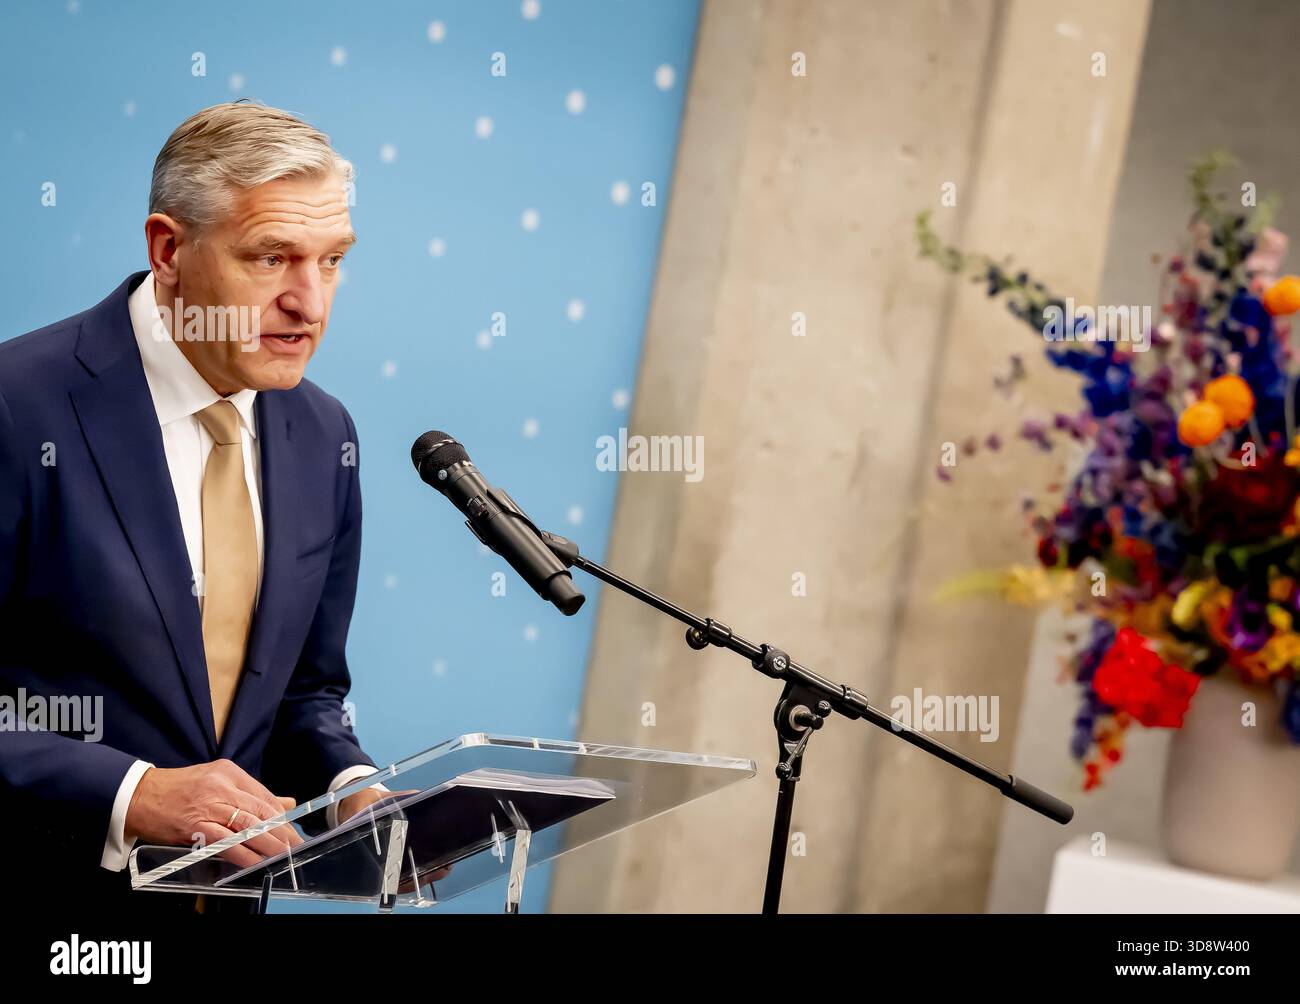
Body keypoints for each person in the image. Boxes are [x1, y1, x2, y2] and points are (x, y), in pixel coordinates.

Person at [0, 102, 391, 913]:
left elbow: (304, 694)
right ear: (169, 249)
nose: (309, 304)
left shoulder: (325, 435)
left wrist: (354, 788)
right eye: (272, 257)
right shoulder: (17, 407)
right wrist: (132, 793)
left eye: (332, 261)